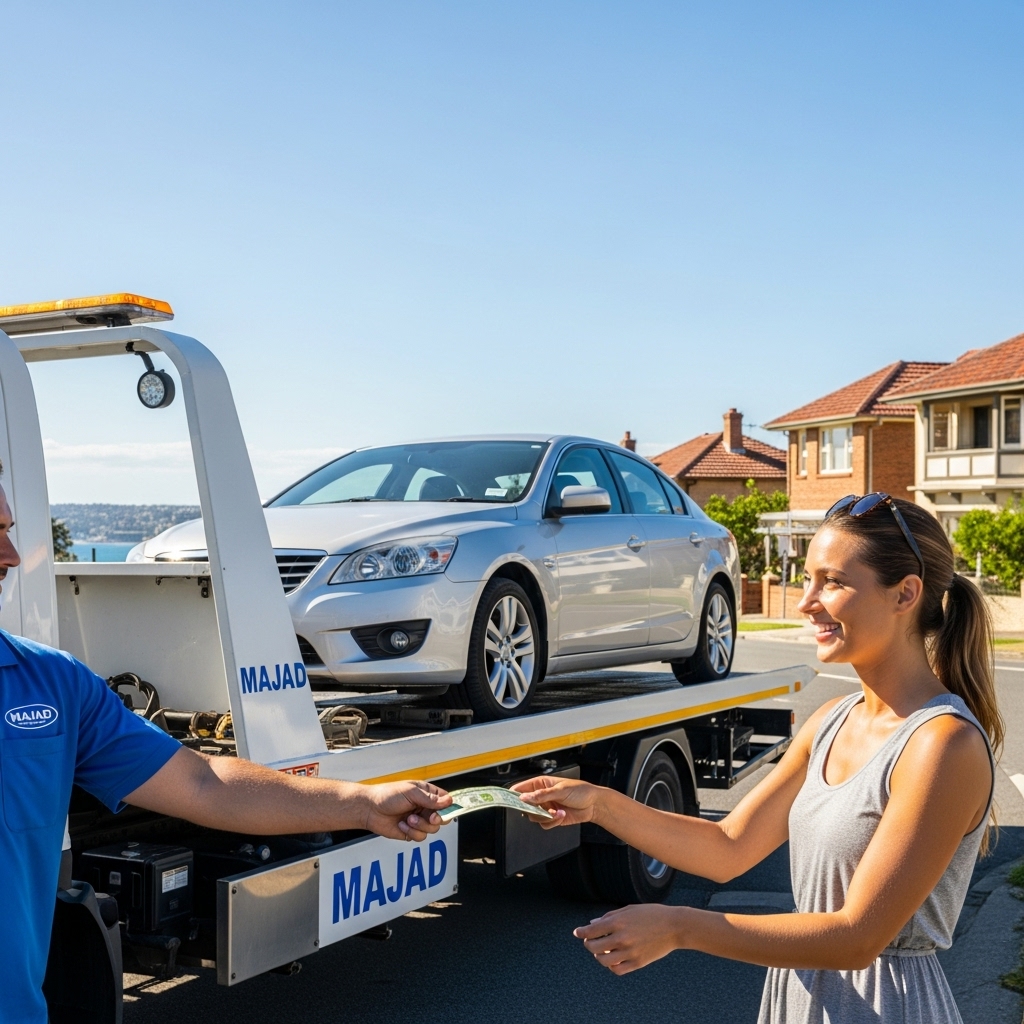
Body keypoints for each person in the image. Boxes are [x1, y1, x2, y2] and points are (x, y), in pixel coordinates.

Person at [514, 493, 1000, 1024]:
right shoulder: (833, 719)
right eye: (808, 578)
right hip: (804, 997)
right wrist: (601, 805)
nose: (805, 602)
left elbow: (857, 938)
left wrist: (682, 928)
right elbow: (728, 847)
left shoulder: (941, 744)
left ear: (906, 593)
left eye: (832, 582)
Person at [0, 478, 451, 1023]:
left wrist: (360, 802)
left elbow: (203, 782)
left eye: (8, 531)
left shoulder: (49, 681)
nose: (12, 556)